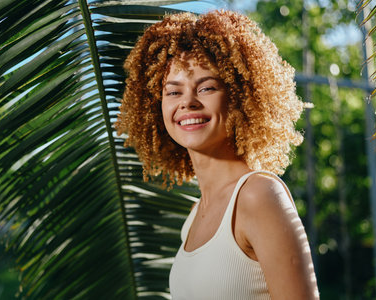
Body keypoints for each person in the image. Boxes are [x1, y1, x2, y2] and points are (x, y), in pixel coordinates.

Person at [116, 10, 319, 300]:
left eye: (207, 87)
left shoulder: (258, 195)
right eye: (173, 92)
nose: (188, 102)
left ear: (239, 96)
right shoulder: (194, 216)